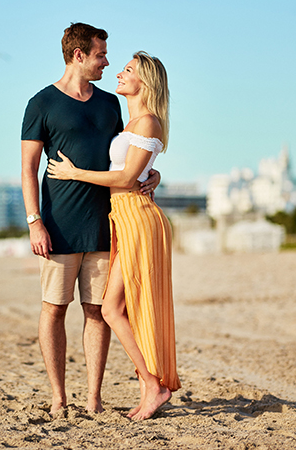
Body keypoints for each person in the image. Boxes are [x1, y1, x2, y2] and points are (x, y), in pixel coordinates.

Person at [21, 24, 160, 416]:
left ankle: (93, 398)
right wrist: (35, 221)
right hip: (58, 227)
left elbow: (126, 156)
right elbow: (28, 168)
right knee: (54, 309)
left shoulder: (108, 104)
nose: (107, 61)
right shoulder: (41, 103)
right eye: (101, 54)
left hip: (105, 225)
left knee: (97, 311)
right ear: (79, 56)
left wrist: (155, 173)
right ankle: (58, 397)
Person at [46, 51, 180, 421]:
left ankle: (153, 387)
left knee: (111, 309)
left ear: (146, 82)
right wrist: (155, 175)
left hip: (137, 219)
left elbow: (123, 179)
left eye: (128, 70)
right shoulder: (134, 122)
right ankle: (149, 391)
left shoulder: (148, 122)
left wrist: (75, 174)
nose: (118, 73)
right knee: (129, 309)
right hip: (123, 219)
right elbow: (135, 171)